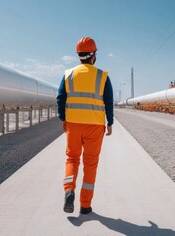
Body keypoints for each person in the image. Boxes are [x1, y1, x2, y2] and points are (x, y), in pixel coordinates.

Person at [56, 36, 114, 215]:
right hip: (95, 126)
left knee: (72, 159)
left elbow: (60, 98)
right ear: (94, 55)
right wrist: (110, 122)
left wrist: (63, 118)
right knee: (90, 164)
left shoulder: (68, 75)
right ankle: (85, 205)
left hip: (73, 125)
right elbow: (109, 102)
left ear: (79, 55)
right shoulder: (102, 76)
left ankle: (68, 190)